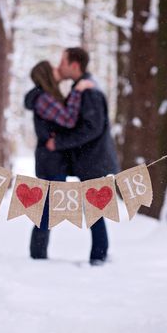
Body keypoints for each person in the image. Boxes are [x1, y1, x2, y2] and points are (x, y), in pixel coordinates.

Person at [38, 48, 120, 265]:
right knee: (94, 209)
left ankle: (99, 257)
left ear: (75, 65)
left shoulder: (89, 91)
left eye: (63, 61)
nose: (60, 65)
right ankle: (99, 256)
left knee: (94, 209)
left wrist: (59, 143)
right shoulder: (81, 88)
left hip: (94, 160)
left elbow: (91, 128)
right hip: (88, 160)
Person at [24, 60, 94, 259]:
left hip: (53, 158)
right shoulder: (43, 98)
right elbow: (69, 120)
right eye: (53, 68)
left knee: (49, 205)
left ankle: (38, 252)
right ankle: (37, 254)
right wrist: (78, 91)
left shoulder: (47, 96)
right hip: (50, 159)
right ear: (46, 74)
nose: (58, 69)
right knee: (49, 206)